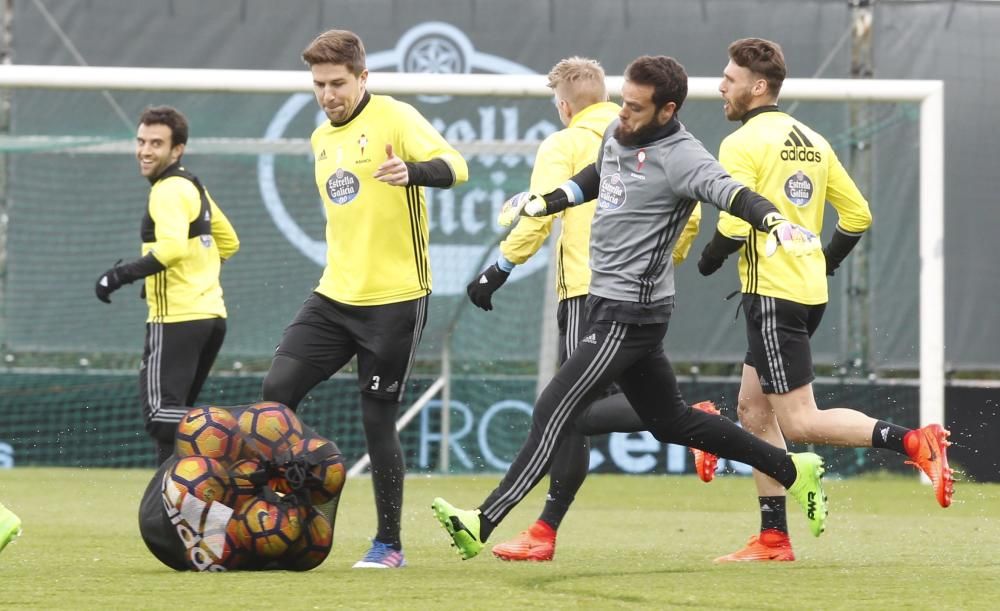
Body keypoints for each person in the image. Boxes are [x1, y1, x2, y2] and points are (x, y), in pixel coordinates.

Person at [432, 55, 830, 561]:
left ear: (666, 110)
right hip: (608, 304)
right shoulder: (618, 132)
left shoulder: (683, 156)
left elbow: (732, 194)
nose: (622, 114)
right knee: (671, 422)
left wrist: (773, 220)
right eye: (623, 101)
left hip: (631, 315)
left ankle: (481, 521)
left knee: (556, 408)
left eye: (635, 107)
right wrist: (545, 203)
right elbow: (596, 176)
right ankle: (794, 469)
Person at [696, 37, 954, 563]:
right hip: (806, 292)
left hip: (773, 293)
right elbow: (857, 216)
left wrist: (708, 258)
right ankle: (773, 538)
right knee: (753, 409)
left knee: (799, 420)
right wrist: (823, 260)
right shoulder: (812, 138)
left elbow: (731, 216)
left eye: (730, 78)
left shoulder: (742, 143)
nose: (722, 85)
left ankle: (913, 442)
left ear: (758, 86)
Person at [466, 56, 714, 562]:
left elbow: (539, 213)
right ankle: (545, 530)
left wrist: (498, 270)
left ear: (563, 106)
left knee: (570, 411)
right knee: (577, 410)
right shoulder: (649, 139)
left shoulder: (564, 143)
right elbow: (688, 217)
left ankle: (692, 423)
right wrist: (660, 264)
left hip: (587, 292)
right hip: (643, 293)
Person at [260, 29, 468, 569]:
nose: (328, 94)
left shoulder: (395, 117)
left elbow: (456, 165)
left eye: (338, 83)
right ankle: (291, 502)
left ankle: (388, 545)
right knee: (275, 392)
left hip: (394, 301)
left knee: (377, 421)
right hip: (334, 297)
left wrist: (412, 172)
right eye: (319, 85)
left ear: (362, 77)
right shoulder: (319, 139)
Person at [94, 106, 239, 465]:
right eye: (141, 141)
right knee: (176, 430)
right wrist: (199, 275)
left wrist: (118, 276)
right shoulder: (192, 185)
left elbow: (172, 248)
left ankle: (247, 431)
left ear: (177, 150)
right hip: (210, 318)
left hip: (176, 317)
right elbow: (230, 241)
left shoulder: (168, 189)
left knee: (160, 417)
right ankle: (172, 514)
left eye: (156, 143)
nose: (145, 150)